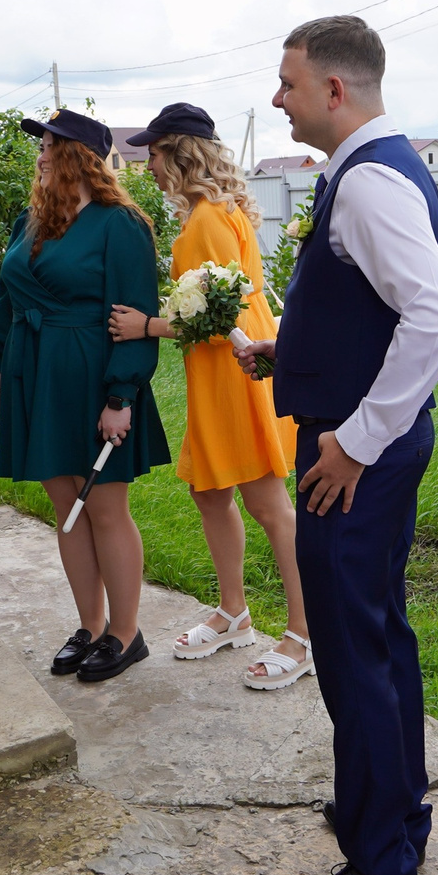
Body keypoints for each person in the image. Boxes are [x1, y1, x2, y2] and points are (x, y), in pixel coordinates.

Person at [237, 16, 438, 875]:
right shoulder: (372, 168)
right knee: (376, 635)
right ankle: (392, 810)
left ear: (335, 89)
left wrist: (357, 442)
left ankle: (380, 865)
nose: (278, 99)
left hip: (354, 456)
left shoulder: (367, 179)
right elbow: (369, 312)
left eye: (287, 82)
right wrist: (288, 353)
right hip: (362, 440)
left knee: (350, 648)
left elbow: (435, 320)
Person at [105, 102, 313, 690]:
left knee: (269, 506)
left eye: (154, 154)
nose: (149, 166)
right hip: (218, 375)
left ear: (180, 154)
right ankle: (233, 614)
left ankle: (305, 633)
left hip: (233, 375)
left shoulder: (208, 220)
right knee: (209, 492)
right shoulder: (216, 211)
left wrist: (147, 326)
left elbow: (223, 317)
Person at [0, 107, 171, 684]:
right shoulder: (29, 221)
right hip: (33, 376)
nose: (40, 155)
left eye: (49, 146)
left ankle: (126, 632)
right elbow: (7, 302)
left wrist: (121, 396)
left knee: (104, 507)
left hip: (92, 376)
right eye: (41, 146)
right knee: (65, 508)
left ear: (77, 157)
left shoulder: (121, 225)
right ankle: (90, 626)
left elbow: (135, 314)